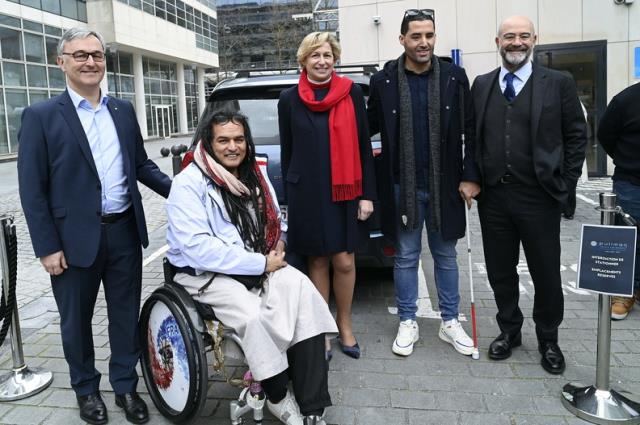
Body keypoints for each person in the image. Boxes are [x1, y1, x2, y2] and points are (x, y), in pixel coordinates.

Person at [17, 28, 171, 424]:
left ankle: (125, 387)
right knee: (76, 322)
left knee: (124, 316)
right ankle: (86, 390)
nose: (90, 62)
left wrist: (186, 191)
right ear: (62, 61)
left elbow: (141, 165)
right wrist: (47, 247)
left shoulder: (122, 111)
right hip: (71, 241)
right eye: (81, 55)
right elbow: (32, 191)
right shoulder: (41, 117)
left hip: (123, 232)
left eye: (97, 55)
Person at [166, 108, 337, 425]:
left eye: (239, 139)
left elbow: (277, 218)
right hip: (208, 275)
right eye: (224, 140)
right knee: (254, 317)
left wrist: (281, 240)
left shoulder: (254, 175)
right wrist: (260, 263)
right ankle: (276, 396)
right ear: (209, 142)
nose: (233, 146)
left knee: (303, 294)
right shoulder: (188, 184)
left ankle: (312, 405)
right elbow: (197, 248)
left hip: (262, 263)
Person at [471, 15, 587, 374]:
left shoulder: (558, 83)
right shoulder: (482, 84)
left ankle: (548, 338)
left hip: (540, 197)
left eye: (523, 36)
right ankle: (510, 330)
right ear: (497, 41)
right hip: (495, 199)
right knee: (500, 271)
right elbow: (474, 139)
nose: (516, 42)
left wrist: (565, 186)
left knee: (546, 271)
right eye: (509, 36)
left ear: (535, 39)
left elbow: (576, 137)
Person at [367, 9, 481, 357]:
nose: (424, 42)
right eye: (415, 36)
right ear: (401, 39)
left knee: (446, 255)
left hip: (445, 184)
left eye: (429, 35)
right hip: (402, 186)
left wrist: (470, 176)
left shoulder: (453, 77)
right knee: (405, 256)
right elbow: (366, 129)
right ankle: (407, 320)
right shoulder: (384, 81)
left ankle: (450, 321)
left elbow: (471, 130)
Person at [278, 32, 376, 360]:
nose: (322, 61)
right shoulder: (289, 99)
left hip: (345, 192)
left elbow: (363, 147)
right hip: (307, 193)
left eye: (327, 55)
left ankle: (344, 324)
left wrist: (366, 195)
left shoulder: (352, 95)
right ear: (303, 61)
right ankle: (321, 330)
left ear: (335, 59)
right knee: (317, 259)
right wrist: (290, 199)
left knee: (344, 260)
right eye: (315, 55)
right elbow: (287, 150)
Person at [597, 83, 640, 320]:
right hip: (631, 184)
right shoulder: (626, 99)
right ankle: (624, 292)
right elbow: (605, 135)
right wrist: (627, 160)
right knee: (628, 240)